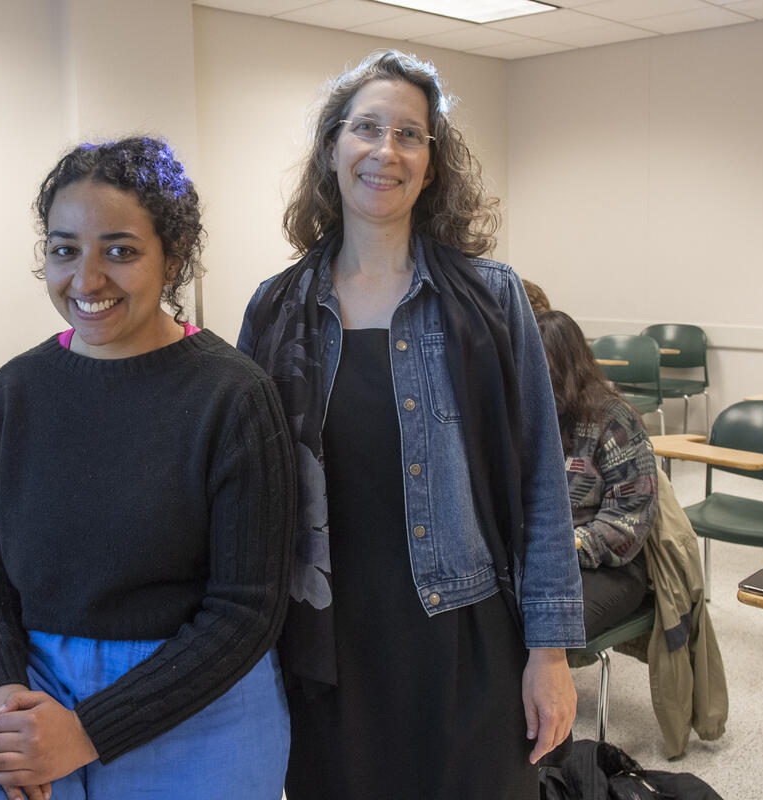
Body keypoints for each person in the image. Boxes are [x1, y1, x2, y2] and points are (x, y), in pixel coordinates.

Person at [0, 137, 295, 800]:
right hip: (35, 677)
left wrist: (84, 733)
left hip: (193, 690)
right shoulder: (17, 391)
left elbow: (246, 612)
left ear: (173, 258)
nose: (85, 280)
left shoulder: (233, 397)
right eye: (64, 249)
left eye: (121, 250)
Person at [237, 50, 584, 799]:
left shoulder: (492, 301)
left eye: (410, 134)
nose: (386, 151)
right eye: (367, 128)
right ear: (333, 148)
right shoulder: (274, 310)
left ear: (432, 161)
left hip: (462, 635)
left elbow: (540, 484)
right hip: (325, 644)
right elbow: (245, 498)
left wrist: (549, 654)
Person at [536, 310, 657, 639]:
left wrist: (561, 550)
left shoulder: (613, 418)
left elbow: (627, 521)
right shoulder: (529, 414)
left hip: (610, 564)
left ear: (568, 368)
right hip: (543, 559)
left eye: (544, 370)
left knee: (544, 626)